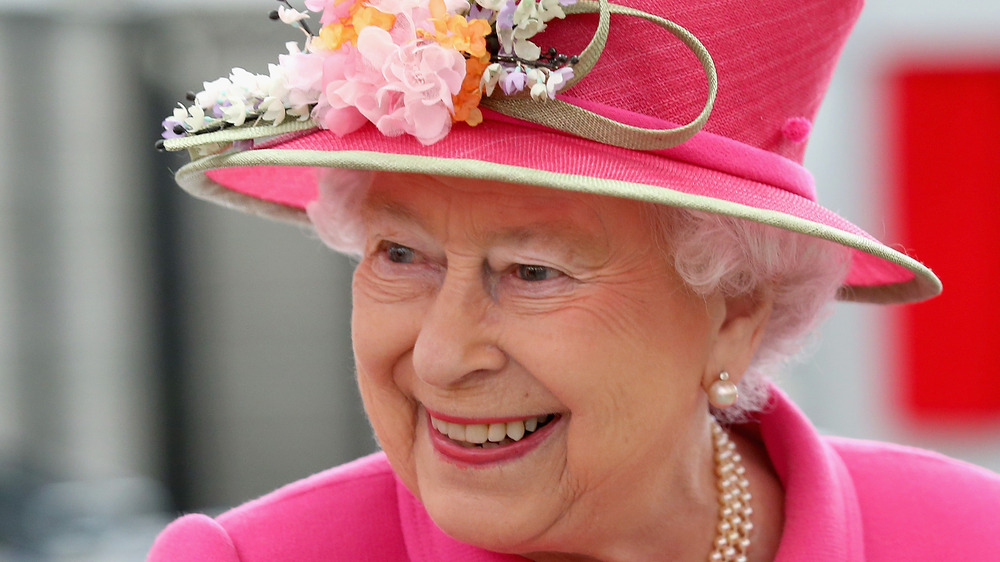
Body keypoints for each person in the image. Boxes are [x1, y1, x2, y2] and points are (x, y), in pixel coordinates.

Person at [149, 0, 1000, 560]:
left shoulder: (965, 538)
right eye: (401, 255)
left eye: (531, 271)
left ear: (736, 310)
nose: (443, 358)